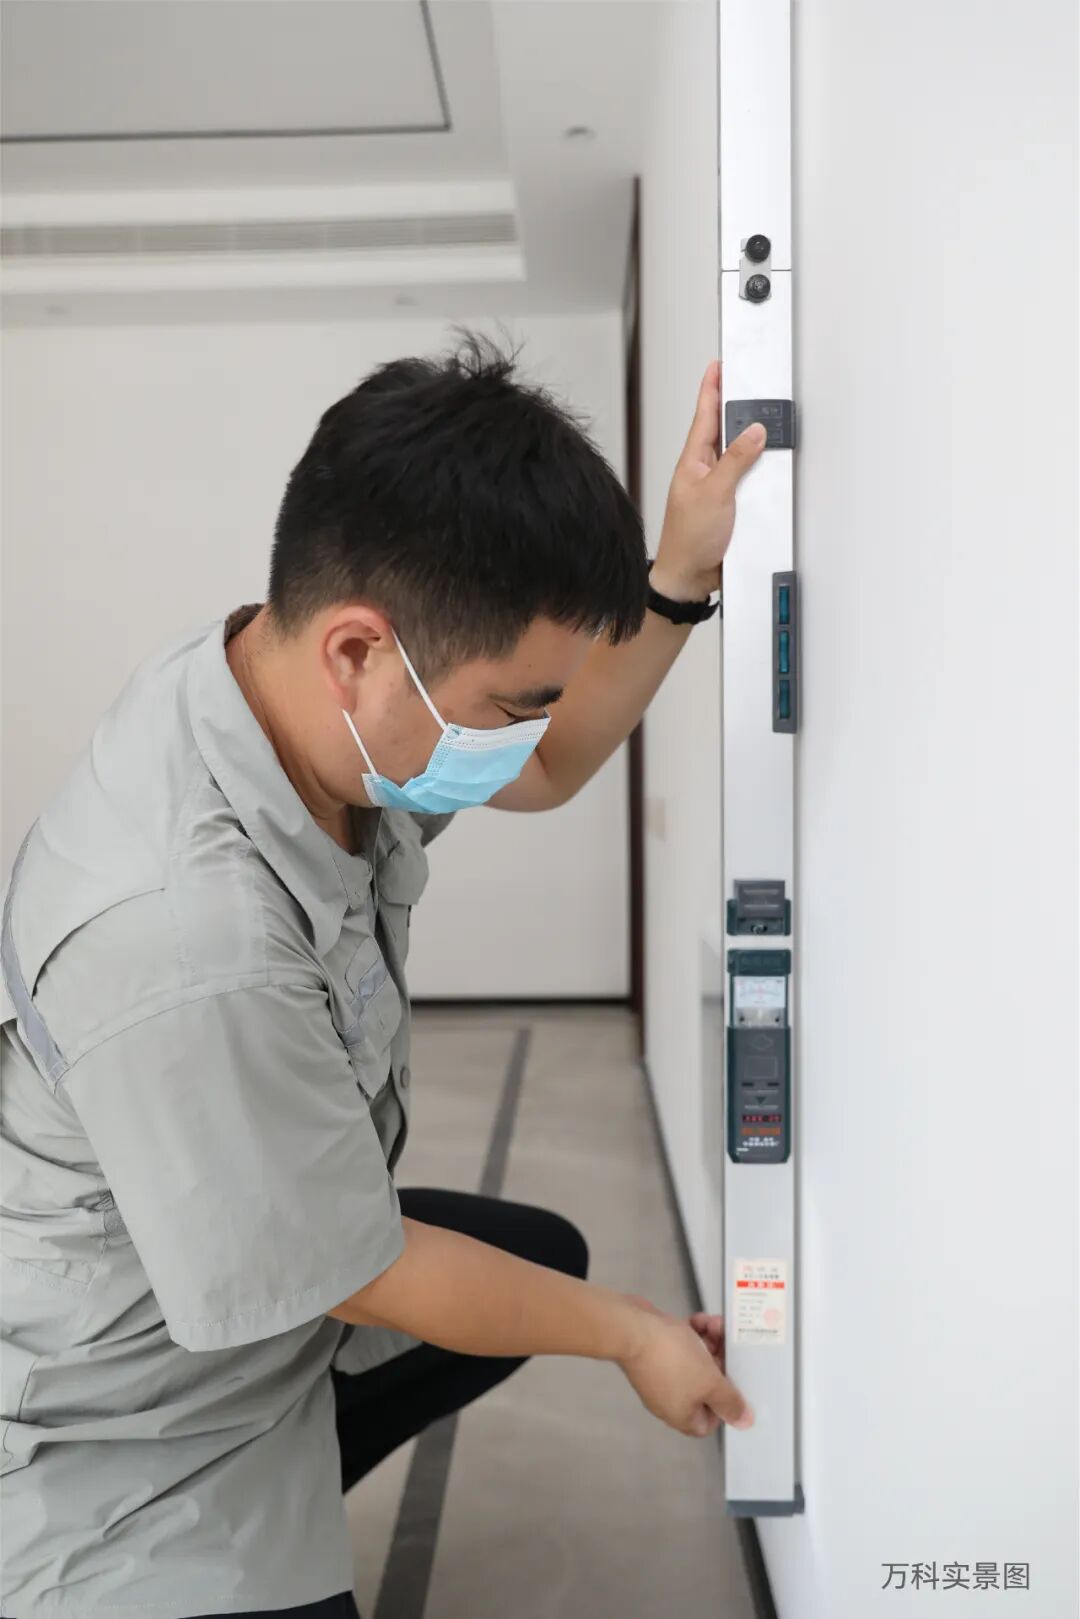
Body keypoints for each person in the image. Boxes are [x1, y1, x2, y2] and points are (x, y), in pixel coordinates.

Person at [0, 329, 767, 1618]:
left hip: (251, 1299)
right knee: (527, 1291)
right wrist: (634, 1334)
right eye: (514, 702)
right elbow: (360, 1270)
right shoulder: (185, 934)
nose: (531, 733)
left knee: (536, 1260)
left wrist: (682, 572)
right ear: (359, 650)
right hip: (121, 1442)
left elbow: (550, 762)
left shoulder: (282, 698)